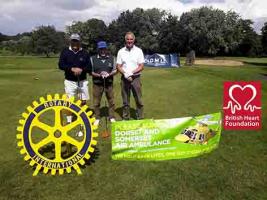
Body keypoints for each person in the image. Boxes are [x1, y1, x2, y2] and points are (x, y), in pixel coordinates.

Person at [58, 33, 92, 125]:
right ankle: (69, 120)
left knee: (83, 101)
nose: (75, 43)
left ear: (79, 42)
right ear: (70, 41)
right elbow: (61, 65)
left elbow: (89, 67)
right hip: (69, 81)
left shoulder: (85, 53)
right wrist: (72, 69)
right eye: (73, 41)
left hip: (82, 81)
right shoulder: (65, 51)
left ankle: (82, 118)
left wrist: (81, 70)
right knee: (69, 101)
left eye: (76, 41)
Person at [116, 32, 145, 120]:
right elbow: (118, 66)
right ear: (125, 40)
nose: (129, 41)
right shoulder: (121, 51)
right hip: (124, 79)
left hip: (135, 78)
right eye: (128, 39)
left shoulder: (139, 51)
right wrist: (125, 74)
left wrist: (131, 73)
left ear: (134, 40)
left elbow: (141, 66)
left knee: (139, 100)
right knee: (125, 100)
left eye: (131, 39)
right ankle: (126, 118)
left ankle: (140, 117)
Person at [91, 41, 117, 126]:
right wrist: (99, 75)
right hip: (97, 84)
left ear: (106, 49)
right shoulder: (92, 59)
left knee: (111, 101)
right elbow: (90, 72)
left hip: (109, 83)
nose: (102, 51)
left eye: (104, 49)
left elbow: (115, 70)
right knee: (96, 102)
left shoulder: (112, 58)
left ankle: (112, 117)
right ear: (98, 49)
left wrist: (109, 74)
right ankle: (97, 117)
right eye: (101, 49)